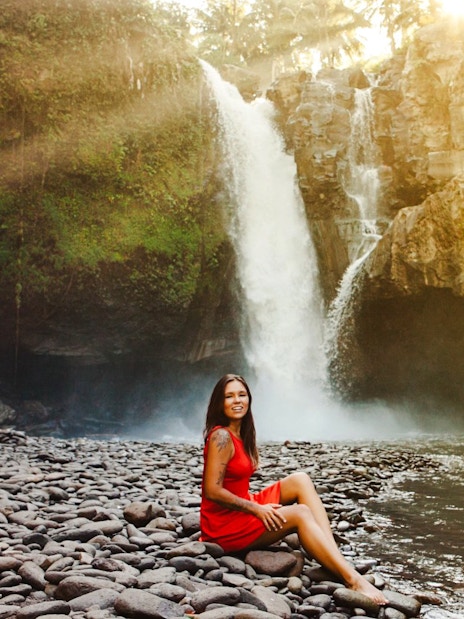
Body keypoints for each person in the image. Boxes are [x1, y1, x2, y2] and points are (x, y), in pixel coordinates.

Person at [200, 373, 388, 605]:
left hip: (243, 507)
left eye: (242, 394)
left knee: (300, 479)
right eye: (229, 396)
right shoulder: (221, 436)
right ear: (219, 402)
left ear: (249, 398)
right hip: (223, 526)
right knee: (301, 513)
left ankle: (333, 556)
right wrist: (257, 509)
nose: (237, 400)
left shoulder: (240, 433)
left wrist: (254, 505)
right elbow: (212, 491)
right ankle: (352, 579)